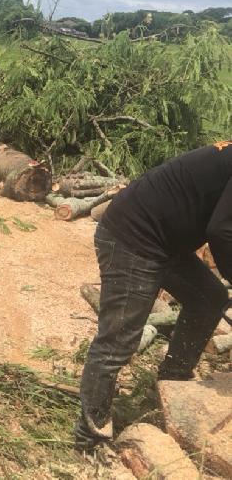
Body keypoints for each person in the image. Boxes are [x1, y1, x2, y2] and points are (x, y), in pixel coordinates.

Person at [75, 141, 232, 450]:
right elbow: (222, 229)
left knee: (210, 298)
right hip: (133, 236)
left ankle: (172, 381)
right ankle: (89, 437)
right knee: (118, 340)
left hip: (165, 241)